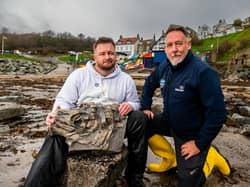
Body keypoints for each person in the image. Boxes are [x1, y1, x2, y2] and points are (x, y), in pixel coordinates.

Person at [24, 37, 148, 187]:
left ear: (116, 55)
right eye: (102, 54)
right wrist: (56, 114)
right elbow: (64, 101)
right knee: (55, 132)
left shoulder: (126, 79)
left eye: (111, 53)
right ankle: (35, 183)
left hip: (113, 127)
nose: (107, 57)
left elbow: (135, 102)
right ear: (94, 56)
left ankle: (134, 177)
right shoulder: (79, 75)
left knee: (140, 118)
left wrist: (130, 105)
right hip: (83, 126)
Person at [141, 24, 228, 187]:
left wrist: (199, 144)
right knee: (140, 122)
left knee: (188, 182)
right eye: (169, 45)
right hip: (169, 121)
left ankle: (212, 157)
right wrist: (145, 107)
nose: (174, 49)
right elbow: (148, 84)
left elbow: (218, 114)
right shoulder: (165, 66)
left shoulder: (203, 73)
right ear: (165, 48)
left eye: (179, 43)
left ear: (188, 44)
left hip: (192, 134)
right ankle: (169, 159)